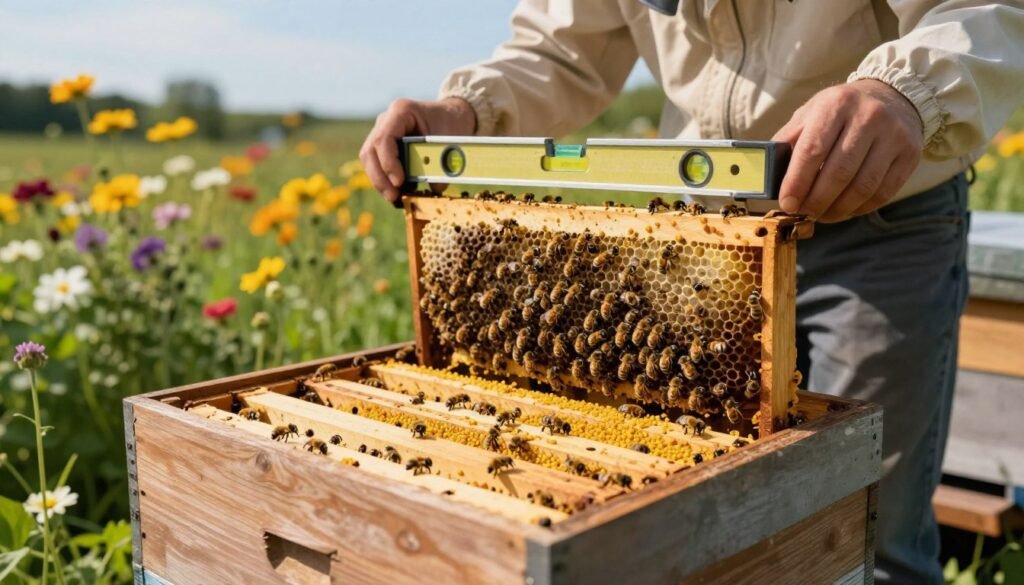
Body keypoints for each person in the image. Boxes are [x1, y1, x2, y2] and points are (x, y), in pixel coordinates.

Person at [360, 2, 1024, 583]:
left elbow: (984, 9)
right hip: (707, 242)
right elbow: (562, 45)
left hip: (878, 206)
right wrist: (468, 110)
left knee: (868, 535)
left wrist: (904, 90)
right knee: (716, 529)